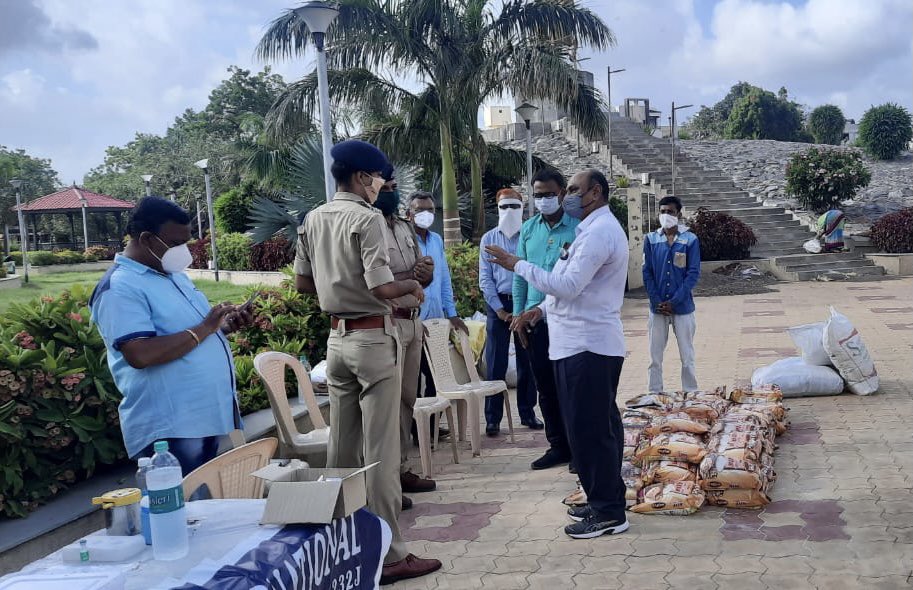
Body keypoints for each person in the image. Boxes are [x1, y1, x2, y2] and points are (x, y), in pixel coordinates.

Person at [294, 139, 441, 584]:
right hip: (373, 339)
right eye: (378, 178)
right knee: (382, 454)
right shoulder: (367, 218)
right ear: (362, 178)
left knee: (341, 449)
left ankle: (340, 544)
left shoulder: (313, 218)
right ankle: (391, 556)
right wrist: (411, 287)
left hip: (336, 341)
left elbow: (303, 284)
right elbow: (382, 289)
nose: (381, 185)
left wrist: (341, 286)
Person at [485, 169, 630, 540]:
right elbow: (568, 290)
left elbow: (568, 285)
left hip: (588, 345)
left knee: (591, 431)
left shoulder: (599, 232)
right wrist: (540, 310)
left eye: (574, 190)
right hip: (576, 344)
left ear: (595, 193)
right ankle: (604, 498)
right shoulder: (588, 230)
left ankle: (608, 513)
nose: (566, 196)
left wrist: (516, 264)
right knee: (594, 427)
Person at [89, 197, 252, 474]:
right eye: (176, 243)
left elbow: (188, 335)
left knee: (204, 501)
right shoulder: (120, 287)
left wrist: (223, 327)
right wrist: (206, 327)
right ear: (147, 239)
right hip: (172, 429)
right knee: (183, 501)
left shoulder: (173, 276)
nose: (183, 251)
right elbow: (140, 354)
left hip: (203, 418)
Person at [373, 169, 437, 509]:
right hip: (388, 321)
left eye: (395, 187)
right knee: (387, 404)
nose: (392, 193)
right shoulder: (369, 226)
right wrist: (409, 276)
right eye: (386, 187)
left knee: (407, 400)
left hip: (413, 321)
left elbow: (419, 277)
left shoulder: (402, 226)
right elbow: (374, 280)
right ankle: (385, 481)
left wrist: (426, 273)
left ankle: (400, 469)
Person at [512, 169, 578, 471]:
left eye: (549, 194)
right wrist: (518, 315)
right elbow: (520, 276)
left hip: (566, 319)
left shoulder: (577, 228)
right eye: (538, 195)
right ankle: (558, 446)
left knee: (570, 388)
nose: (543, 200)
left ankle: (578, 449)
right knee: (546, 388)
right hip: (533, 321)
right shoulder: (528, 229)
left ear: (562, 193)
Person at [479, 188, 541, 437]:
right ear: (497, 208)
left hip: (524, 305)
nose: (509, 211)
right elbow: (485, 279)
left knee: (528, 362)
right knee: (496, 363)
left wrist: (524, 308)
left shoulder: (530, 235)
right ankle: (492, 419)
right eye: (504, 206)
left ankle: (527, 412)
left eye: (514, 206)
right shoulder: (489, 239)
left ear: (522, 208)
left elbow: (533, 272)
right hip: (499, 306)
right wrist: (500, 311)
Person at [408, 192, 468, 400]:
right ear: (409, 214)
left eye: (430, 210)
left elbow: (444, 279)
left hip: (436, 323)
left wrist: (451, 313)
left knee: (437, 381)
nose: (425, 214)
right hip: (414, 323)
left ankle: (433, 420)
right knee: (414, 381)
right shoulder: (405, 242)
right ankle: (417, 421)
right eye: (419, 210)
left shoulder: (436, 240)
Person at [643, 195, 701, 394]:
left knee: (687, 355)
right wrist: (657, 301)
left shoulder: (690, 240)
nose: (666, 215)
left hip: (683, 307)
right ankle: (655, 392)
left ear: (679, 214)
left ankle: (690, 392)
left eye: (670, 212)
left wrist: (675, 301)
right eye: (663, 212)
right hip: (657, 308)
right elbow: (647, 272)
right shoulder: (651, 240)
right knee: (654, 356)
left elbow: (693, 274)